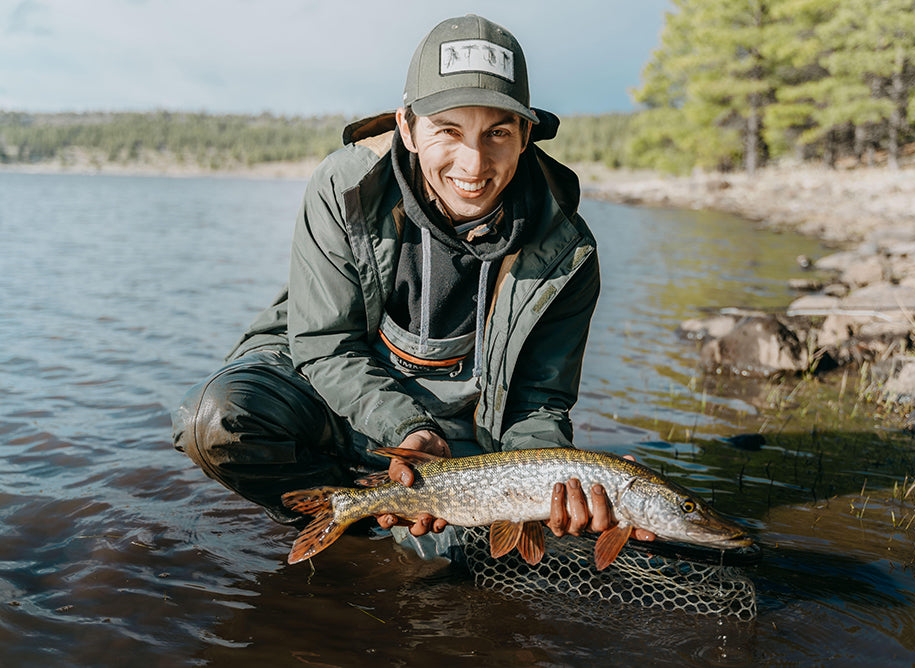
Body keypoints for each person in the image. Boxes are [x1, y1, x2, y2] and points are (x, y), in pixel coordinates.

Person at [172, 14, 655, 552]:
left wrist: (546, 483)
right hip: (329, 387)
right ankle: (340, 513)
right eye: (448, 130)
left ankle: (378, 513)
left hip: (453, 442)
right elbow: (325, 343)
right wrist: (406, 430)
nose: (473, 162)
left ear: (525, 136)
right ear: (407, 127)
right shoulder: (345, 188)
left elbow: (537, 404)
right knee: (212, 421)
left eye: (497, 132)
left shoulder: (569, 250)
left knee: (454, 562)